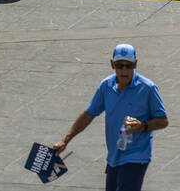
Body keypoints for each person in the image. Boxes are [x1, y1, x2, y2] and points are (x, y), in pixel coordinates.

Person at [53, 43, 169, 191]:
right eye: (120, 65)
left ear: (136, 64)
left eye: (129, 65)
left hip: (136, 155)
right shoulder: (106, 86)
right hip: (114, 157)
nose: (124, 70)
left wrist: (142, 126)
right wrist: (65, 140)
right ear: (112, 64)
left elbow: (163, 120)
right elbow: (89, 114)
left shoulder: (148, 88)